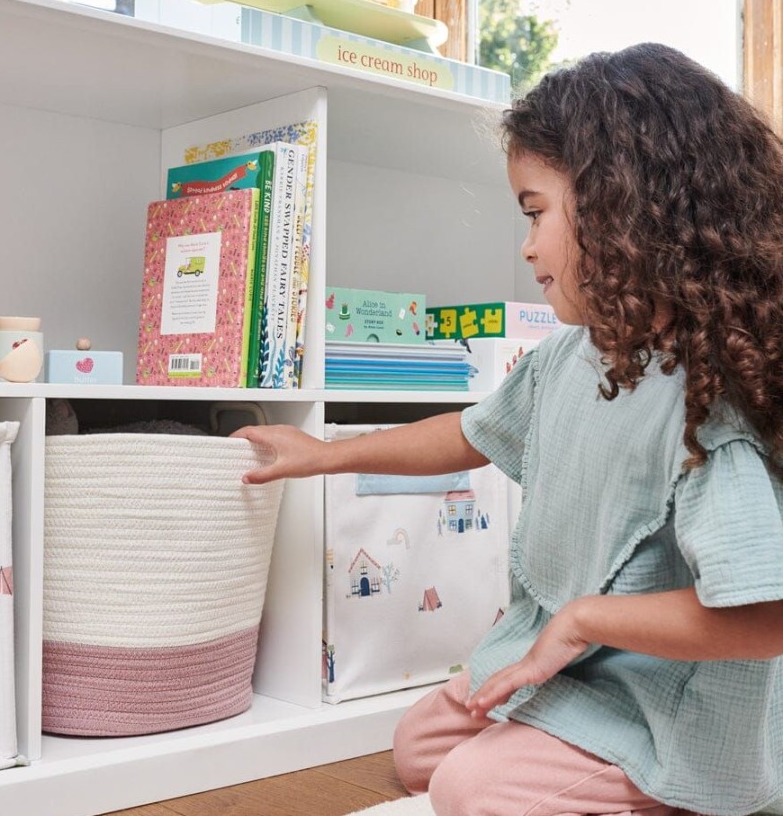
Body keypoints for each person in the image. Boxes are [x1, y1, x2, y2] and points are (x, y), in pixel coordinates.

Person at [233, 43, 783, 816]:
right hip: (581, 666)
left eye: (536, 213)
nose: (525, 246)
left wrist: (583, 618)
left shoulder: (706, 409)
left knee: (468, 787)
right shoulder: (572, 358)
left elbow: (764, 619)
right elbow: (470, 432)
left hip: (669, 702)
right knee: (418, 749)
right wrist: (326, 454)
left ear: (624, 208)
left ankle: (695, 796)